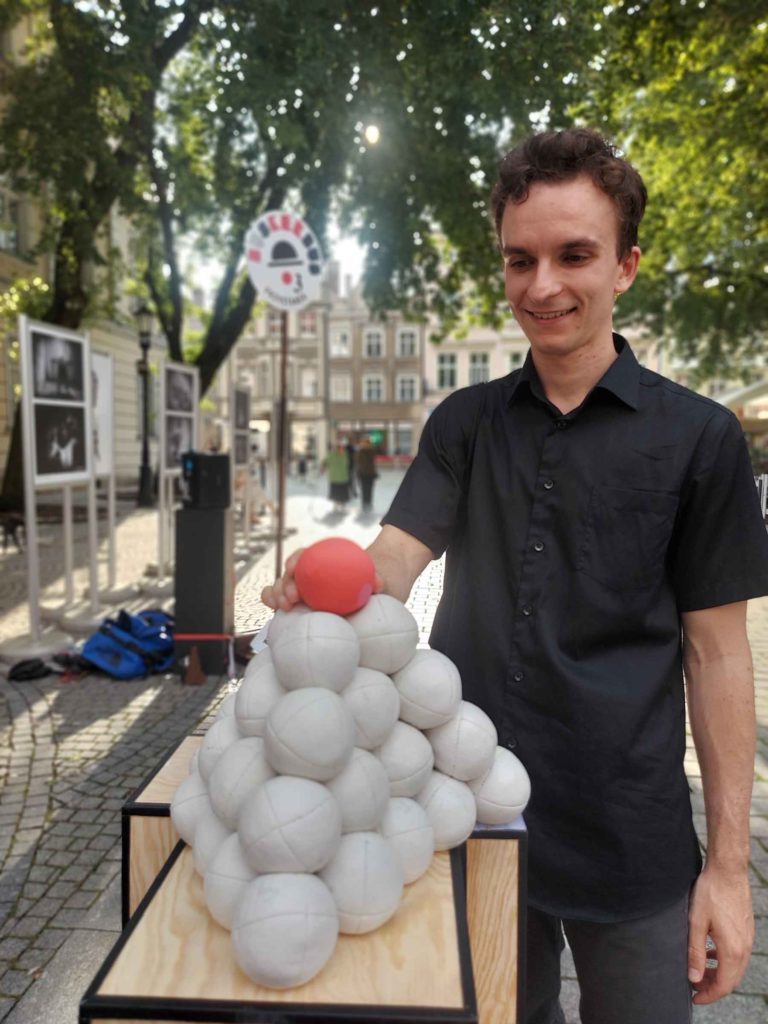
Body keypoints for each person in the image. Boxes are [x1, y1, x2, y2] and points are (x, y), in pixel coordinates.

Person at [262, 128, 768, 1023]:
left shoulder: (701, 439)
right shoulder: (464, 422)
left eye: (575, 255)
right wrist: (329, 584)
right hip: (467, 808)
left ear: (626, 266)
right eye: (520, 259)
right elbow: (397, 556)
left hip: (629, 830)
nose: (542, 286)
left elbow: (719, 655)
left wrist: (728, 868)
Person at [321, 440, 351, 513]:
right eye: (340, 448)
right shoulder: (332, 455)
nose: (342, 449)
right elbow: (324, 462)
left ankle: (342, 505)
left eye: (342, 448)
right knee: (335, 493)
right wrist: (323, 468)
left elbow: (348, 464)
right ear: (337, 449)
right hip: (334, 477)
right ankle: (336, 504)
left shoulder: (345, 455)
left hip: (343, 477)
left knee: (343, 493)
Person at [355, 436, 378, 512]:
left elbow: (373, 462)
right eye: (363, 443)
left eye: (366, 443)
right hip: (363, 473)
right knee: (364, 489)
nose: (364, 444)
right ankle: (364, 504)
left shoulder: (372, 451)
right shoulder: (360, 452)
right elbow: (359, 462)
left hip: (370, 473)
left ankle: (369, 503)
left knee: (370, 489)